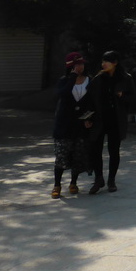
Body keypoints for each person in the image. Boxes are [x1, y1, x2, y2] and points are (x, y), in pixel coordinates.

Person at [88, 50, 135, 194]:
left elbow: (133, 97)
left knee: (114, 150)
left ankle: (111, 180)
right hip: (99, 119)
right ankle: (98, 179)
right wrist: (88, 118)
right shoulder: (98, 79)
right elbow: (90, 100)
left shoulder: (125, 78)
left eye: (107, 61)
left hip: (116, 119)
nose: (103, 64)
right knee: (96, 149)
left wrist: (122, 96)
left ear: (115, 63)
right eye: (102, 61)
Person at [51, 52, 95, 198]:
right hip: (64, 126)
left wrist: (90, 119)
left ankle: (73, 182)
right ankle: (57, 184)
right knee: (61, 155)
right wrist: (72, 78)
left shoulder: (90, 80)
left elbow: (93, 103)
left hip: (81, 126)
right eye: (76, 65)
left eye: (81, 64)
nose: (80, 67)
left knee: (78, 155)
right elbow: (61, 94)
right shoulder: (64, 81)